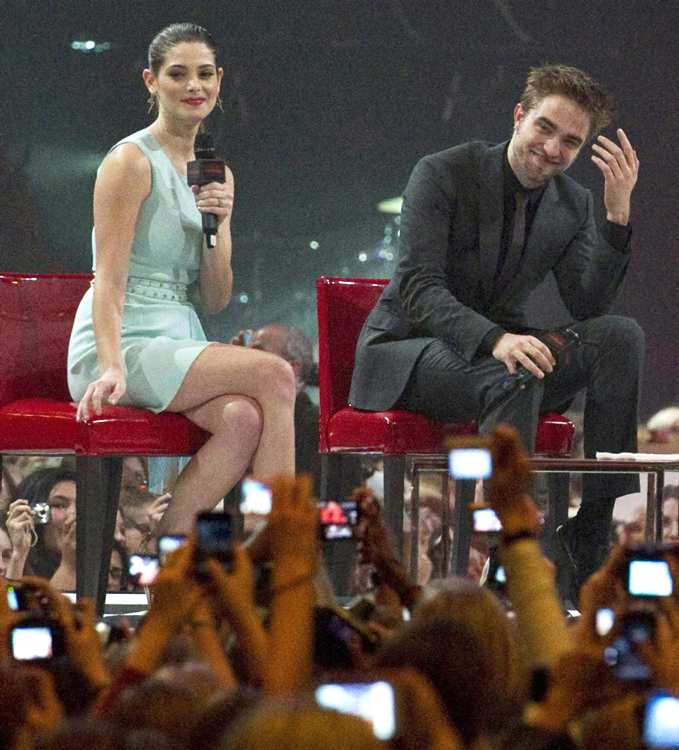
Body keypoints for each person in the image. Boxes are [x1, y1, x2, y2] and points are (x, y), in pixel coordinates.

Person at [349, 63, 642, 596]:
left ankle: (591, 531)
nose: (552, 149)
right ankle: (510, 553)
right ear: (518, 116)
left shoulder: (572, 204)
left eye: (571, 142)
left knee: (620, 336)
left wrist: (616, 218)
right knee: (515, 371)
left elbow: (588, 304)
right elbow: (419, 286)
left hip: (499, 361)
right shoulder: (443, 172)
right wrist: (496, 339)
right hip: (410, 350)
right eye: (545, 128)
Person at [66, 23, 296, 534]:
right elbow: (108, 279)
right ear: (151, 81)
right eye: (178, 74)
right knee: (277, 375)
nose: (195, 86)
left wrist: (218, 223)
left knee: (243, 419)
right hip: (121, 341)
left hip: (177, 334)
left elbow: (215, 298)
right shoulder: (130, 161)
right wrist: (111, 365)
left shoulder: (217, 172)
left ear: (219, 81)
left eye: (205, 74)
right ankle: (277, 545)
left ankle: (167, 549)